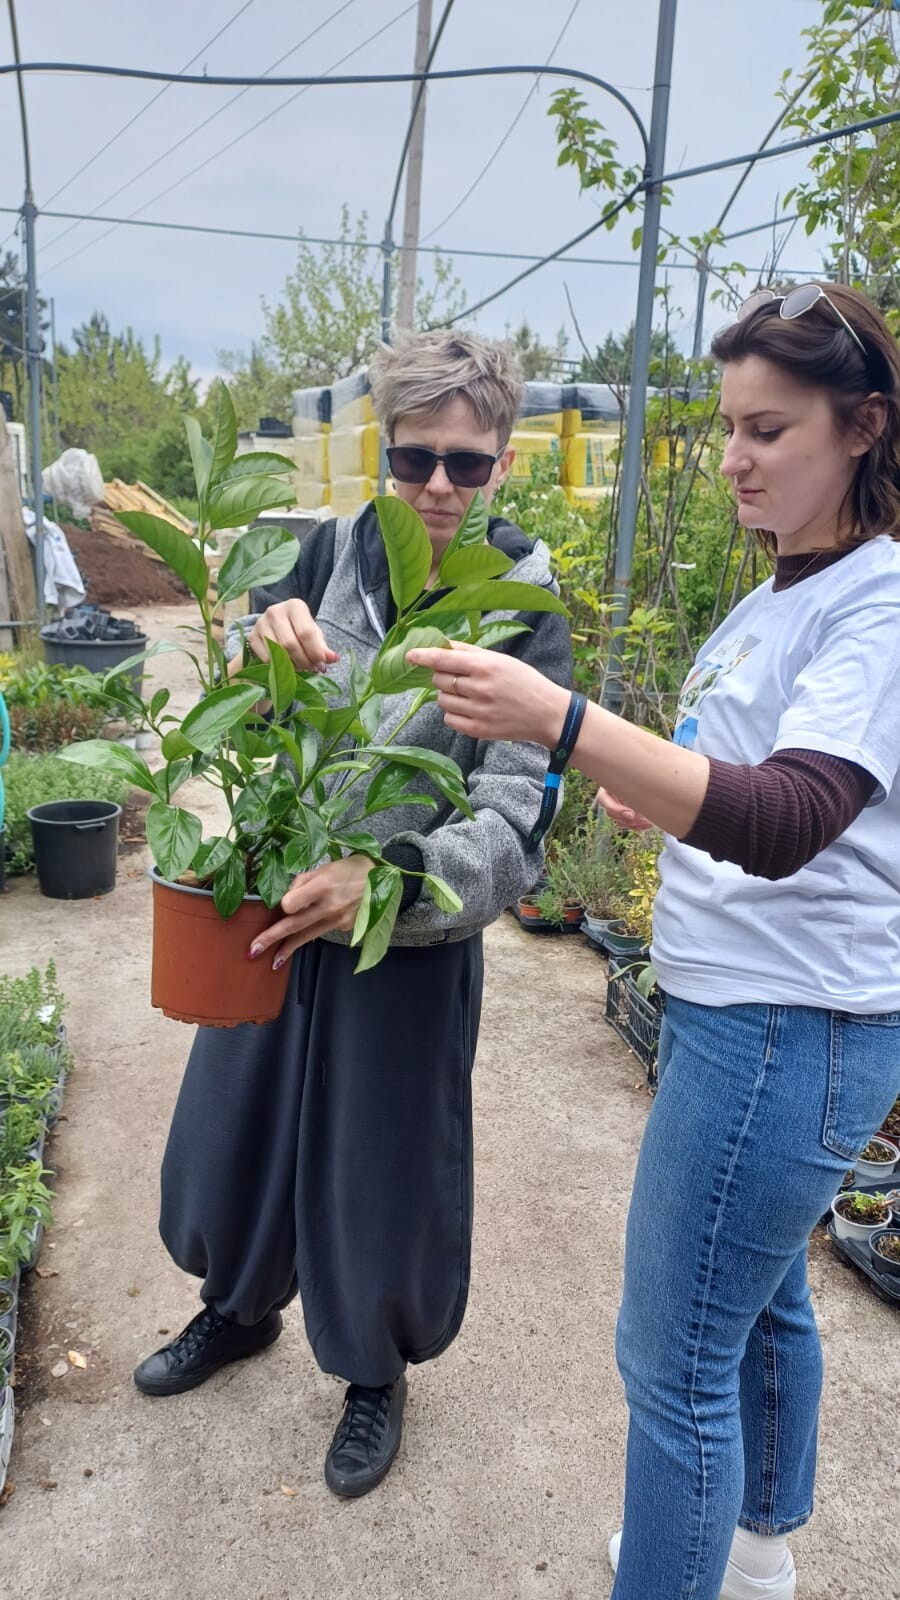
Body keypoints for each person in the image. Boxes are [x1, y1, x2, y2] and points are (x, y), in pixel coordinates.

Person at [408, 282, 900, 1599]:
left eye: (770, 430)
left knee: (673, 1354)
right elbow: (753, 786)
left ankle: (697, 1563)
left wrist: (563, 722)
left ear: (862, 426)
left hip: (786, 1027)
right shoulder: (788, 595)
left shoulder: (880, 603)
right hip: (756, 1010)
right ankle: (752, 1550)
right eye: (728, 427)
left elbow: (795, 818)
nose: (735, 458)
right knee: (757, 1307)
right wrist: (660, 785)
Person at [133, 329, 572, 1498]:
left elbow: (517, 821)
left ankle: (375, 1372)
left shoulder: (521, 605)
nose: (437, 486)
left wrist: (394, 882)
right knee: (236, 1118)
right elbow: (249, 717)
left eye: (465, 465)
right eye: (414, 457)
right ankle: (234, 1307)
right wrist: (258, 657)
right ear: (384, 453)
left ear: (502, 465)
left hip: (403, 930)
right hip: (283, 897)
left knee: (383, 1159)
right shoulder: (326, 551)